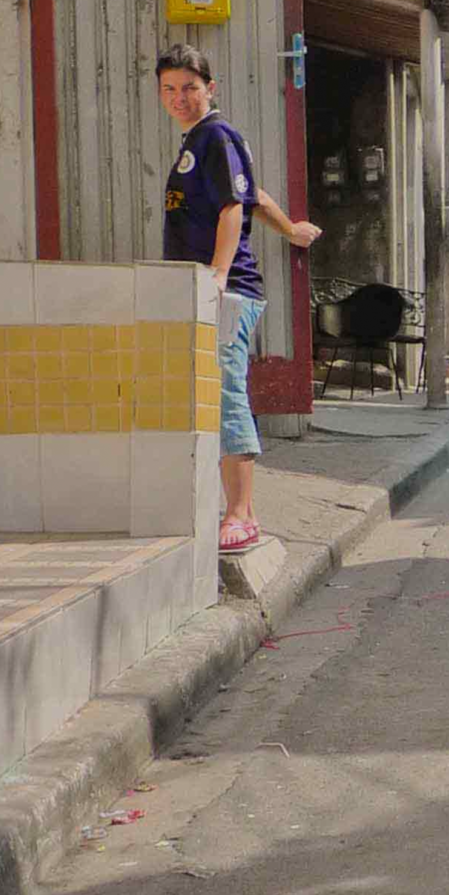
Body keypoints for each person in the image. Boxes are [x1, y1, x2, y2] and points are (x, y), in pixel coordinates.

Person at [155, 43, 321, 553]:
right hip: (209, 288)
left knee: (227, 396)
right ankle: (228, 505)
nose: (179, 97)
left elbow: (233, 207)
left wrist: (220, 274)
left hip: (224, 292)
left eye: (189, 87)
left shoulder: (215, 136)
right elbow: (255, 195)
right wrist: (290, 228)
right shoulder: (201, 142)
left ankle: (242, 514)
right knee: (210, 394)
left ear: (211, 88)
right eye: (169, 89)